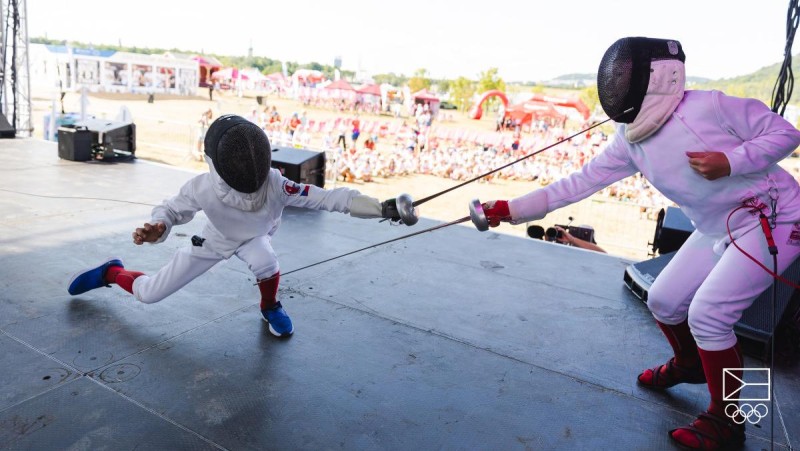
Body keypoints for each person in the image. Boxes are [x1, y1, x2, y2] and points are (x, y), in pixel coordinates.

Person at [474, 37, 800, 450]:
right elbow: (577, 185)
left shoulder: (710, 106)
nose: (616, 83)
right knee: (664, 300)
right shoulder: (631, 139)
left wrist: (731, 161)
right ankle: (689, 364)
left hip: (776, 217)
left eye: (624, 75)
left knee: (709, 314)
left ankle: (730, 420)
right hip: (719, 226)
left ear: (656, 76)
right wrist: (508, 208)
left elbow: (786, 133)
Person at [67, 114, 409, 338]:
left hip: (253, 239)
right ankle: (112, 272)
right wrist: (160, 226)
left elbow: (330, 199)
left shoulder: (277, 184)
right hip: (214, 240)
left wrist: (381, 207)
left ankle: (270, 306)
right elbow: (170, 210)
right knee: (148, 293)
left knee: (265, 259)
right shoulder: (202, 187)